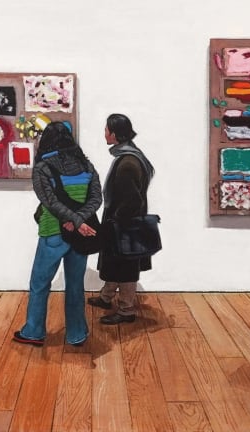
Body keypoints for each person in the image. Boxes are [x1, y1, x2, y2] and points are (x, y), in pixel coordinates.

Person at [13, 121, 102, 346]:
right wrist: (79, 220)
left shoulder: (43, 167)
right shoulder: (87, 166)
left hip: (53, 232)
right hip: (80, 235)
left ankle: (33, 332)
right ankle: (77, 333)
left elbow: (49, 202)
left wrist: (72, 220)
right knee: (75, 285)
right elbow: (96, 199)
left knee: (40, 284)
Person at [87, 113, 155, 325]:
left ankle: (126, 310)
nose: (105, 133)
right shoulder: (132, 155)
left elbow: (131, 200)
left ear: (114, 134)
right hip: (126, 221)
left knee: (125, 267)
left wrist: (116, 220)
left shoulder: (127, 163)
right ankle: (106, 297)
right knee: (115, 262)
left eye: (107, 129)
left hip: (125, 224)